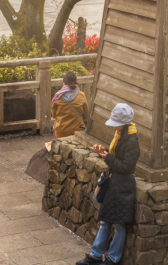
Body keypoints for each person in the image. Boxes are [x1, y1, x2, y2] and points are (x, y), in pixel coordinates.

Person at [76, 103, 139, 265]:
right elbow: (117, 160)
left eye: (116, 123)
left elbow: (127, 167)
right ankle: (96, 256)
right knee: (105, 221)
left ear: (123, 124)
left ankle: (113, 259)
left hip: (123, 186)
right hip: (114, 184)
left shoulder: (131, 142)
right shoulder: (120, 136)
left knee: (118, 224)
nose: (114, 126)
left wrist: (107, 157)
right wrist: (104, 152)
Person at [51, 72, 89, 139]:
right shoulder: (81, 95)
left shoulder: (57, 97)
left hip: (61, 131)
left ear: (64, 83)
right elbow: (86, 115)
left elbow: (54, 115)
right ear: (76, 82)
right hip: (78, 130)